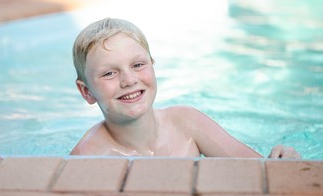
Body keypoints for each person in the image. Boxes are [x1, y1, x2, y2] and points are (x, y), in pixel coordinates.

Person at [70, 18, 301, 159]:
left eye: (138, 65)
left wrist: (280, 160)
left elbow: (257, 169)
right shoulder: (88, 157)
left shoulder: (187, 123)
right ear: (86, 91)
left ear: (153, 66)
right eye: (109, 73)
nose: (129, 80)